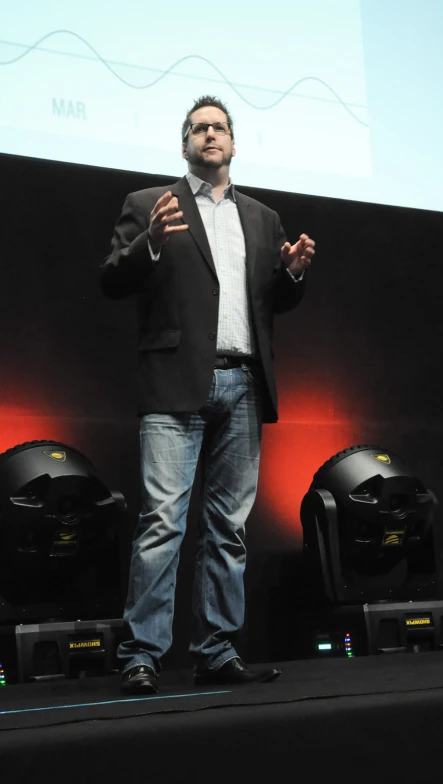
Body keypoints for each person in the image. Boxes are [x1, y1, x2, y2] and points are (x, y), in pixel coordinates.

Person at [100, 95, 315, 695]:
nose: (209, 135)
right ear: (185, 143)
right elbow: (111, 276)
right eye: (198, 128)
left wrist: (291, 273)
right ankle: (142, 653)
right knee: (163, 523)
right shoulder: (150, 206)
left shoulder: (263, 219)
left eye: (219, 127)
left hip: (243, 384)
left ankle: (216, 650)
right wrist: (150, 243)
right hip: (175, 383)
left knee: (229, 527)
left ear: (234, 143)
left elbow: (273, 303)